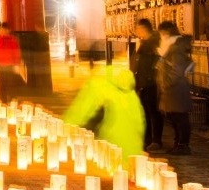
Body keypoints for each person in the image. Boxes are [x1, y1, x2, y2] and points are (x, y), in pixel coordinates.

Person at [62, 64, 146, 159]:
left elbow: (76, 116)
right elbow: (139, 123)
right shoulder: (129, 90)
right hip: (133, 154)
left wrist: (61, 132)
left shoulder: (96, 84)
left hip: (109, 151)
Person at [155, 20, 195, 155]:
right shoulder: (172, 48)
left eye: (161, 33)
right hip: (172, 89)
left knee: (179, 117)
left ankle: (183, 144)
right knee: (174, 117)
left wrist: (166, 83)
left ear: (166, 33)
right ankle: (178, 143)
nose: (160, 36)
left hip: (175, 89)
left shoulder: (175, 50)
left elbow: (176, 70)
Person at [130, 19, 165, 152]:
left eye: (139, 29)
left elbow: (158, 62)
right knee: (144, 112)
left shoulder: (154, 43)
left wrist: (151, 76)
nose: (137, 32)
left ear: (145, 28)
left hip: (151, 83)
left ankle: (156, 140)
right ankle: (147, 139)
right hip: (142, 82)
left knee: (154, 112)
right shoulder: (144, 42)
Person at [0, 22, 24, 103]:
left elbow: (16, 52)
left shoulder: (12, 39)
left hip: (10, 66)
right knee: (2, 85)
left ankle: (12, 101)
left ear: (8, 30)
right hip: (1, 66)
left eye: (6, 29)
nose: (4, 31)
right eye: (3, 29)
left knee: (10, 85)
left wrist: (16, 64)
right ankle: (4, 102)